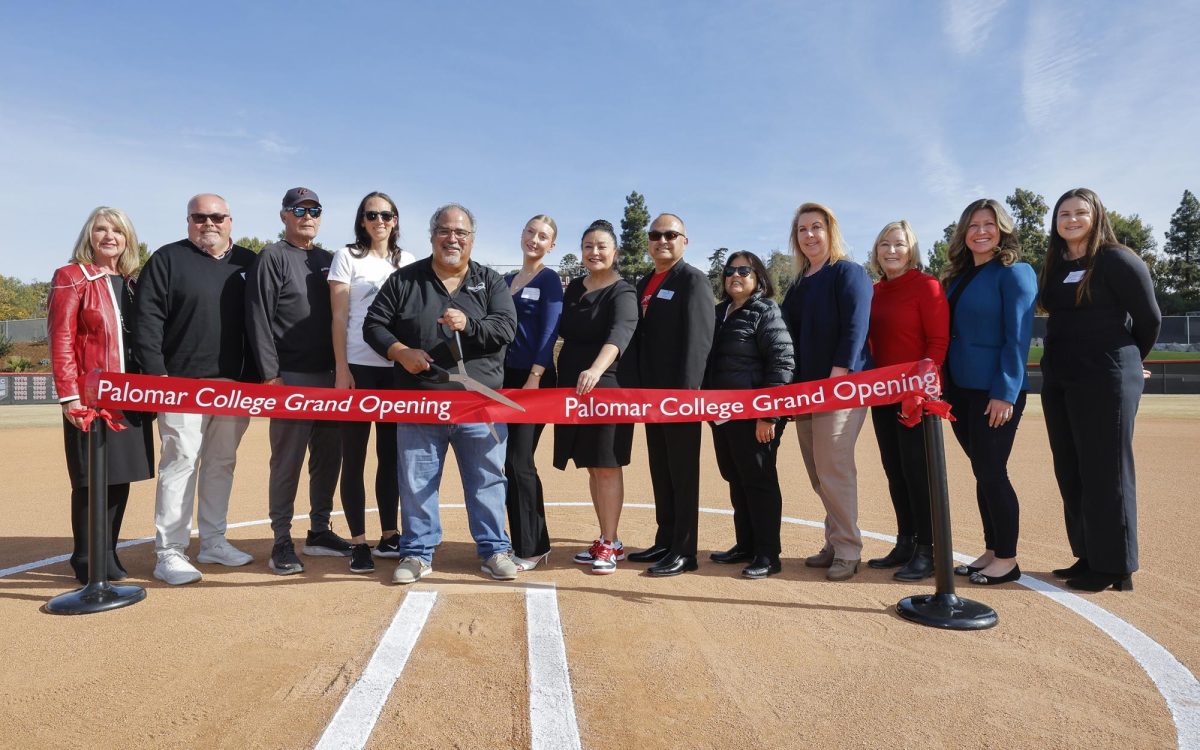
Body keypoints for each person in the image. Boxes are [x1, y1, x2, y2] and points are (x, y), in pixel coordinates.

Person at [362, 203, 520, 584]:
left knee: (487, 479)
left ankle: (494, 549)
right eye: (445, 231)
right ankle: (417, 553)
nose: (453, 239)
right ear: (432, 236)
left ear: (471, 239)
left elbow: (506, 328)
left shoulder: (489, 281)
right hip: (420, 401)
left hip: (479, 404)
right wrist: (400, 352)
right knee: (417, 482)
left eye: (461, 233)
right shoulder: (404, 280)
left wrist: (470, 324)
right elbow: (374, 325)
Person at [1039, 188, 1161, 592]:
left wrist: (1127, 363)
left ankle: (1115, 566)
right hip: (1061, 375)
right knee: (1071, 467)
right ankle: (1089, 554)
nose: (1071, 220)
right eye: (1064, 214)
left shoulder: (1117, 259)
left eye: (1080, 212)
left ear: (1096, 216)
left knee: (1106, 469)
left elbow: (1150, 319)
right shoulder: (1056, 265)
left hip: (1105, 374)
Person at [135, 194, 258, 585]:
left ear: (230, 221)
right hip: (180, 382)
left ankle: (213, 541)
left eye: (217, 217)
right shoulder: (167, 259)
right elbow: (147, 319)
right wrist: (157, 376)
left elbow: (265, 321)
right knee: (181, 460)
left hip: (234, 385)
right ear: (188, 221)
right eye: (200, 217)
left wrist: (257, 377)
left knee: (222, 462)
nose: (209, 223)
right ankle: (168, 552)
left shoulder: (250, 263)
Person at [246, 187, 351, 575]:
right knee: (287, 462)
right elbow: (258, 319)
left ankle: (320, 531)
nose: (308, 216)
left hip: (330, 377)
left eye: (314, 210)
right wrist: (271, 375)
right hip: (290, 377)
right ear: (284, 215)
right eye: (299, 209)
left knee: (328, 458)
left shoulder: (330, 260)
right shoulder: (271, 258)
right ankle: (281, 540)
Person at [48, 207, 155, 585]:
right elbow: (61, 338)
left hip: (130, 397)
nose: (110, 236)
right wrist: (69, 397)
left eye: (118, 231)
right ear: (89, 235)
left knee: (119, 478)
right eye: (101, 229)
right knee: (91, 480)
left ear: (128, 239)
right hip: (93, 398)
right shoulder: (71, 277)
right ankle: (85, 558)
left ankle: (107, 551)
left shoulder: (131, 283)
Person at [942, 198, 1037, 586]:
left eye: (989, 224)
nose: (981, 231)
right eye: (974, 225)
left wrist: (1005, 392)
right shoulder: (959, 276)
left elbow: (1018, 338)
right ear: (964, 233)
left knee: (993, 472)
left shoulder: (1016, 273)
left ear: (1002, 229)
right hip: (961, 390)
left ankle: (1008, 559)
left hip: (994, 392)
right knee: (982, 471)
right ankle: (991, 549)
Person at [780, 202, 873, 582]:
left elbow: (856, 325)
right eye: (802, 230)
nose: (809, 236)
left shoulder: (848, 272)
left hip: (840, 389)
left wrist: (838, 376)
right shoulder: (800, 283)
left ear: (830, 231)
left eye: (816, 227)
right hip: (805, 391)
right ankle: (834, 540)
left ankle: (849, 549)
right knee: (819, 472)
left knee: (834, 468)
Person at [620, 213, 715, 577]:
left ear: (684, 241)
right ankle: (665, 539)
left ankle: (685, 550)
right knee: (661, 470)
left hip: (679, 399)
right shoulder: (645, 282)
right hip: (650, 397)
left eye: (670, 234)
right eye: (656, 235)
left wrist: (686, 396)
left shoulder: (693, 281)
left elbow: (699, 342)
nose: (662, 240)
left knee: (683, 474)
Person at [329, 192, 416, 574]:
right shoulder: (348, 257)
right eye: (371, 215)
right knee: (354, 455)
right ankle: (358, 541)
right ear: (361, 221)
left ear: (395, 220)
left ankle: (389, 533)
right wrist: (342, 369)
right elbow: (339, 317)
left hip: (394, 371)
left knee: (391, 455)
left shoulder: (408, 262)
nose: (379, 220)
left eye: (386, 214)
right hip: (358, 368)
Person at [864, 220, 949, 581]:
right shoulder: (874, 291)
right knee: (894, 470)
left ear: (911, 249)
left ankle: (928, 551)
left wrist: (920, 388)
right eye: (885, 244)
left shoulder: (927, 286)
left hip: (916, 397)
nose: (891, 250)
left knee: (918, 472)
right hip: (881, 394)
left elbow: (937, 343)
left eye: (899, 244)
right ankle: (906, 541)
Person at [554, 220, 638, 574]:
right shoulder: (574, 287)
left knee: (607, 465)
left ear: (614, 251)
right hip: (574, 389)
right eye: (588, 245)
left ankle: (612, 541)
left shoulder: (624, 291)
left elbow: (621, 333)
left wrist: (596, 369)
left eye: (601, 245)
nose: (594, 252)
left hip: (607, 388)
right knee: (592, 465)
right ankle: (605, 538)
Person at [704, 251, 794, 579]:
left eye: (745, 270)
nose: (735, 275)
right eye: (730, 270)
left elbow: (782, 362)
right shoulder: (718, 313)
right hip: (722, 415)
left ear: (758, 278)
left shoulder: (766, 310)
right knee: (735, 477)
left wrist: (769, 414)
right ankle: (745, 545)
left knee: (758, 480)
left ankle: (769, 554)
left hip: (756, 416)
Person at [503, 215, 564, 571]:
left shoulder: (550, 279)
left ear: (551, 245)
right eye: (530, 232)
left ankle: (533, 546)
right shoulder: (508, 280)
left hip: (534, 380)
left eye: (543, 237)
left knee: (519, 460)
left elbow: (550, 330)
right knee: (507, 462)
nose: (535, 240)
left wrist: (536, 375)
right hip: (504, 379)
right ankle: (522, 539)